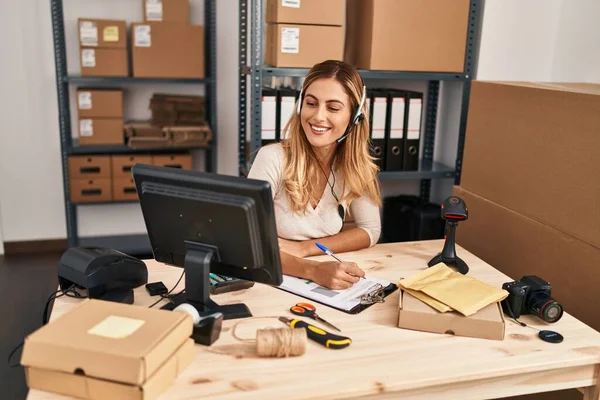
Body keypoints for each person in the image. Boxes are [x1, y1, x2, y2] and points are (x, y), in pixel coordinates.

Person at [248, 60, 382, 290]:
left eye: (333, 108)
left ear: (355, 116)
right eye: (311, 103)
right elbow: (248, 241)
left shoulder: (356, 166)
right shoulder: (272, 158)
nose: (318, 117)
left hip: (324, 277)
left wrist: (305, 248)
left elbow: (370, 230)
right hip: (270, 277)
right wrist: (312, 269)